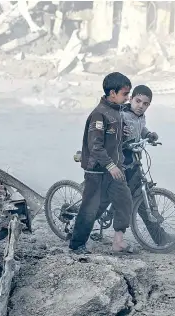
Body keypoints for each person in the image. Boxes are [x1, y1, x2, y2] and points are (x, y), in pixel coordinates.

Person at [96, 85, 175, 246]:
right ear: (131, 99)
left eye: (145, 104)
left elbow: (140, 129)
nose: (141, 106)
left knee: (138, 195)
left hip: (133, 159)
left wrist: (148, 135)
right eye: (138, 101)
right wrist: (120, 133)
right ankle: (85, 222)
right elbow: (111, 130)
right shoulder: (121, 114)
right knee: (106, 194)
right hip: (118, 159)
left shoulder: (140, 117)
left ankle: (159, 237)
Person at [69, 72, 134, 255]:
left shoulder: (117, 112)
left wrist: (125, 134)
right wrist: (110, 166)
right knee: (90, 208)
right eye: (125, 94)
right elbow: (95, 147)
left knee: (124, 200)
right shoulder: (99, 115)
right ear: (112, 93)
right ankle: (76, 244)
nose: (128, 98)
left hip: (114, 169)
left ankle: (118, 241)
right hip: (97, 171)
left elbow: (114, 139)